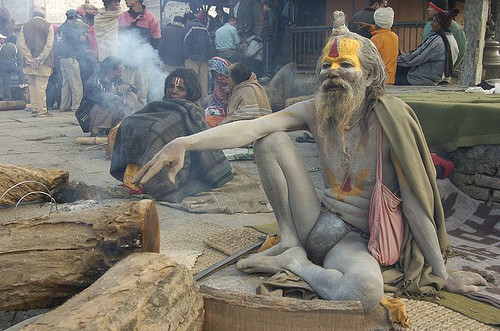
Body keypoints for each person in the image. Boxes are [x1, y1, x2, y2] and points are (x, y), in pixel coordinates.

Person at [131, 11, 487, 312]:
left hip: (357, 242)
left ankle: (296, 263)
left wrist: (443, 275)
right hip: (312, 219)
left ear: (369, 74)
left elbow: (415, 204)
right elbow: (251, 128)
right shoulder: (317, 109)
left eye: (345, 64)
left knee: (364, 293)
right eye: (327, 66)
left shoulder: (389, 120)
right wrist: (184, 142)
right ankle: (289, 240)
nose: (333, 72)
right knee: (268, 138)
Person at [110, 68, 233, 202]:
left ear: (190, 92)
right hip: (138, 168)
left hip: (180, 166)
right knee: (129, 122)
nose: (174, 90)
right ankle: (133, 179)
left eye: (181, 88)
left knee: (156, 131)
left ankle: (156, 184)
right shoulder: (158, 105)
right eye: (171, 86)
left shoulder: (192, 112)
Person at [76, 56, 137, 137]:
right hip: (88, 116)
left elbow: (135, 90)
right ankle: (97, 130)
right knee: (109, 102)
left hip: (109, 114)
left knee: (131, 96)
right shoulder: (96, 80)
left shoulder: (117, 79)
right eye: (119, 71)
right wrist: (124, 102)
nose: (121, 74)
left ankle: (117, 127)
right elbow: (104, 97)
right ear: (110, 71)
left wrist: (128, 87)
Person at [395, 9, 459, 86]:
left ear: (441, 24)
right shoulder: (452, 40)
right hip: (436, 78)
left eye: (434, 21)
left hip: (420, 78)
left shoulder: (437, 41)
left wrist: (396, 59)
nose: (431, 24)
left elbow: (417, 57)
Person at [118, 0, 161, 107]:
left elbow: (156, 42)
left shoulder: (150, 18)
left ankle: (140, 117)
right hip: (126, 62)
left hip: (143, 62)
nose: (125, 1)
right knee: (123, 91)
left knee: (142, 93)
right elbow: (119, 39)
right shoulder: (123, 17)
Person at [18, 7, 55, 117]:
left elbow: (21, 44)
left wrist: (30, 59)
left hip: (29, 64)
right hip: (44, 63)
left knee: (32, 86)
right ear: (44, 15)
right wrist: (39, 59)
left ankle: (34, 109)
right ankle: (42, 110)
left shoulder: (24, 26)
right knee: (41, 87)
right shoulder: (49, 26)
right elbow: (49, 45)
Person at [421, 0, 466, 84]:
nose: (428, 9)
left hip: (442, 78)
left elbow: (461, 51)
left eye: (431, 7)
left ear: (438, 10)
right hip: (424, 76)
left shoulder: (455, 28)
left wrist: (448, 68)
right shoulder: (428, 26)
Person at [357, 7, 398, 84]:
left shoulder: (375, 39)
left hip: (379, 81)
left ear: (376, 22)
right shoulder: (394, 37)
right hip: (390, 79)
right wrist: (372, 27)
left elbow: (367, 61)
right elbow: (382, 31)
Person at [55, 9, 85, 113]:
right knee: (76, 82)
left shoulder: (60, 28)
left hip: (62, 58)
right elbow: (77, 42)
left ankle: (64, 105)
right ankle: (76, 106)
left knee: (65, 83)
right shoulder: (72, 28)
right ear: (74, 17)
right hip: (71, 57)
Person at [183, 12, 213, 99]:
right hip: (204, 59)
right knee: (204, 82)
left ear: (187, 20)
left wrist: (186, 56)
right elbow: (209, 43)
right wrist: (208, 57)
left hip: (192, 59)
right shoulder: (204, 28)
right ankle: (204, 102)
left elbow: (186, 42)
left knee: (192, 80)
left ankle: (193, 100)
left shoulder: (189, 27)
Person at [203, 57, 232, 127]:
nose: (218, 78)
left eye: (221, 74)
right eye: (216, 75)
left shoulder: (234, 86)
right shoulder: (215, 86)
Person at [0, 34, 25, 101]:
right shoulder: (15, 47)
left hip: (4, 67)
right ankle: (22, 83)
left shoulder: (2, 47)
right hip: (12, 66)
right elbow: (19, 58)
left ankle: (7, 98)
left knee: (6, 83)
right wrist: (19, 66)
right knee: (20, 71)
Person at [260, 0, 278, 81]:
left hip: (269, 40)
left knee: (267, 58)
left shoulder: (270, 14)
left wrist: (267, 37)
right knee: (269, 57)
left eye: (263, 6)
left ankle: (268, 75)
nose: (263, 8)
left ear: (266, 6)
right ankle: (270, 73)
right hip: (272, 39)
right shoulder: (273, 13)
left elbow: (270, 27)